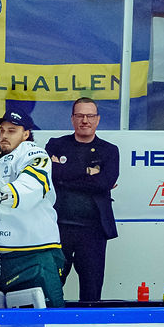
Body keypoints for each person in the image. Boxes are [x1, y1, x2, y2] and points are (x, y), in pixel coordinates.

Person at [0, 109, 65, 307]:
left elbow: (31, 186)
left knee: (47, 317)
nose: (5, 136)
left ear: (25, 134)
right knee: (2, 318)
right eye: (2, 130)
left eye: (12, 131)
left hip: (35, 252)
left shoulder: (34, 153)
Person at [45, 98, 119, 302]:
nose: (85, 120)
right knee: (50, 289)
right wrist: (88, 171)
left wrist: (64, 174)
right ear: (72, 119)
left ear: (98, 119)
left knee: (91, 292)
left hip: (93, 233)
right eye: (80, 115)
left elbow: (103, 183)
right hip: (58, 229)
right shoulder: (55, 144)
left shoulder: (110, 150)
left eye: (90, 116)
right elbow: (51, 175)